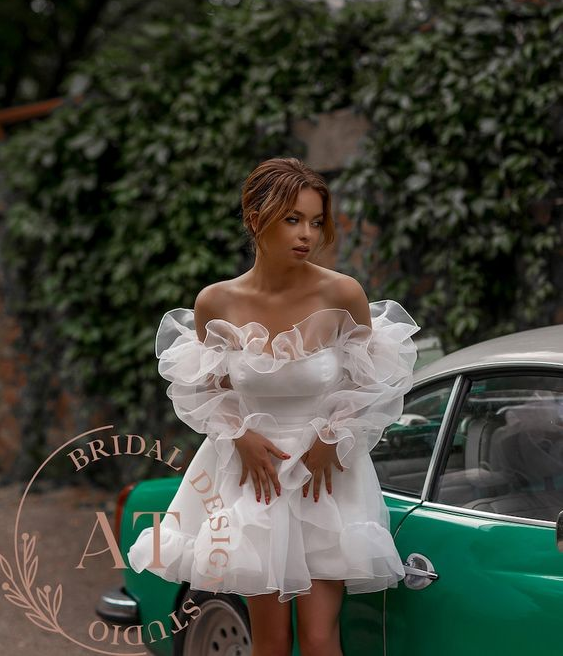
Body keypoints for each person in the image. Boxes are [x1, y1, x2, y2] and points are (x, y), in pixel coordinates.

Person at [127, 156, 421, 656]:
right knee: (268, 639)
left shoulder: (342, 293)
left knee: (320, 635)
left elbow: (375, 385)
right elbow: (205, 389)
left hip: (326, 477)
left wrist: (334, 439)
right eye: (292, 219)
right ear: (255, 217)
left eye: (315, 221)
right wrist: (237, 434)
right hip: (252, 479)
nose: (307, 234)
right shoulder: (215, 302)